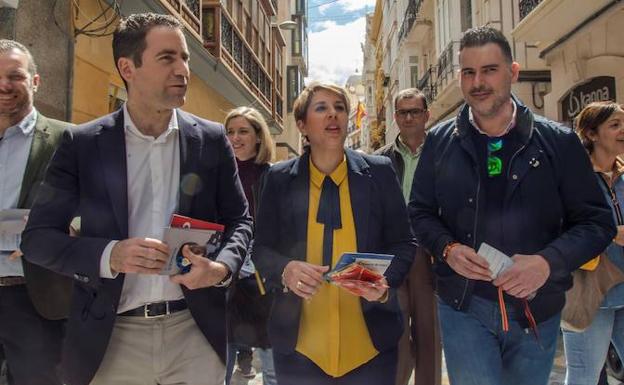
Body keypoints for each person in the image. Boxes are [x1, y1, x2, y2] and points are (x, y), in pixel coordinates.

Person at [20, 13, 252, 385]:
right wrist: (110, 254)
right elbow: (37, 239)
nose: (183, 70)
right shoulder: (82, 144)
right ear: (128, 68)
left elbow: (240, 221)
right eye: (167, 58)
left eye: (185, 58)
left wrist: (220, 269)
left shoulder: (210, 140)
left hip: (194, 334)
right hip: (110, 340)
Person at [408, 26, 615, 385]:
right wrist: (448, 249)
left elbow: (597, 223)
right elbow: (419, 212)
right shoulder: (439, 142)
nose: (478, 82)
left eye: (489, 70)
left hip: (537, 310)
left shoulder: (559, 142)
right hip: (463, 306)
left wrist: (547, 262)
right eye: (469, 72)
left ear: (513, 72)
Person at [253, 81, 417, 385]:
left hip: (371, 346)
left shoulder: (379, 172)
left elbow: (405, 243)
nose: (333, 115)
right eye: (321, 108)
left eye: (340, 108)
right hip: (299, 349)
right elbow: (260, 248)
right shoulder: (278, 179)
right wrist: (286, 270)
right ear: (302, 125)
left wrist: (383, 284)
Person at [0, 39, 73, 385]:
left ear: (35, 81)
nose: (4, 85)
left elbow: (98, 208)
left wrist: (60, 230)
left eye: (15, 76)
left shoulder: (68, 139)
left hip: (34, 294)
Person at [375, 88, 441, 385]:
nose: (409, 117)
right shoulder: (379, 161)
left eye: (415, 111)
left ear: (427, 115)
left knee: (429, 335)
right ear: (395, 117)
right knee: (396, 332)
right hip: (393, 256)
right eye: (403, 112)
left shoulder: (443, 153)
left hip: (430, 254)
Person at [562, 101, 624, 385]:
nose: (623, 130)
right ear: (592, 133)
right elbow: (559, 224)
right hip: (589, 294)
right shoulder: (573, 177)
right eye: (615, 125)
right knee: (584, 378)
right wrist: (611, 232)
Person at [224, 106, 276, 385]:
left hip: (263, 281)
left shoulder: (275, 176)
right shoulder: (219, 176)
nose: (235, 137)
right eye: (230, 131)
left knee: (272, 365)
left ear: (258, 136)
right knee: (220, 359)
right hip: (226, 278)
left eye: (243, 131)